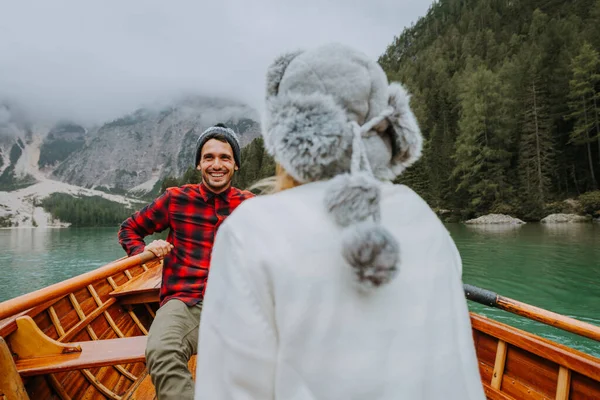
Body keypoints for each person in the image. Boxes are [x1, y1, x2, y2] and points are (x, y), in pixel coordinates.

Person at [193, 44, 486, 399]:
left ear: (287, 133)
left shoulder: (250, 230)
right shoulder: (423, 217)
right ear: (390, 130)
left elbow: (229, 390)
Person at [118, 123, 254, 400]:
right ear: (199, 164)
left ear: (236, 165)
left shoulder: (252, 206)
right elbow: (129, 229)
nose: (217, 164)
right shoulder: (175, 199)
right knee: (162, 351)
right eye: (209, 157)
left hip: (237, 303)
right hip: (184, 300)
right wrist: (143, 252)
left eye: (225, 157)